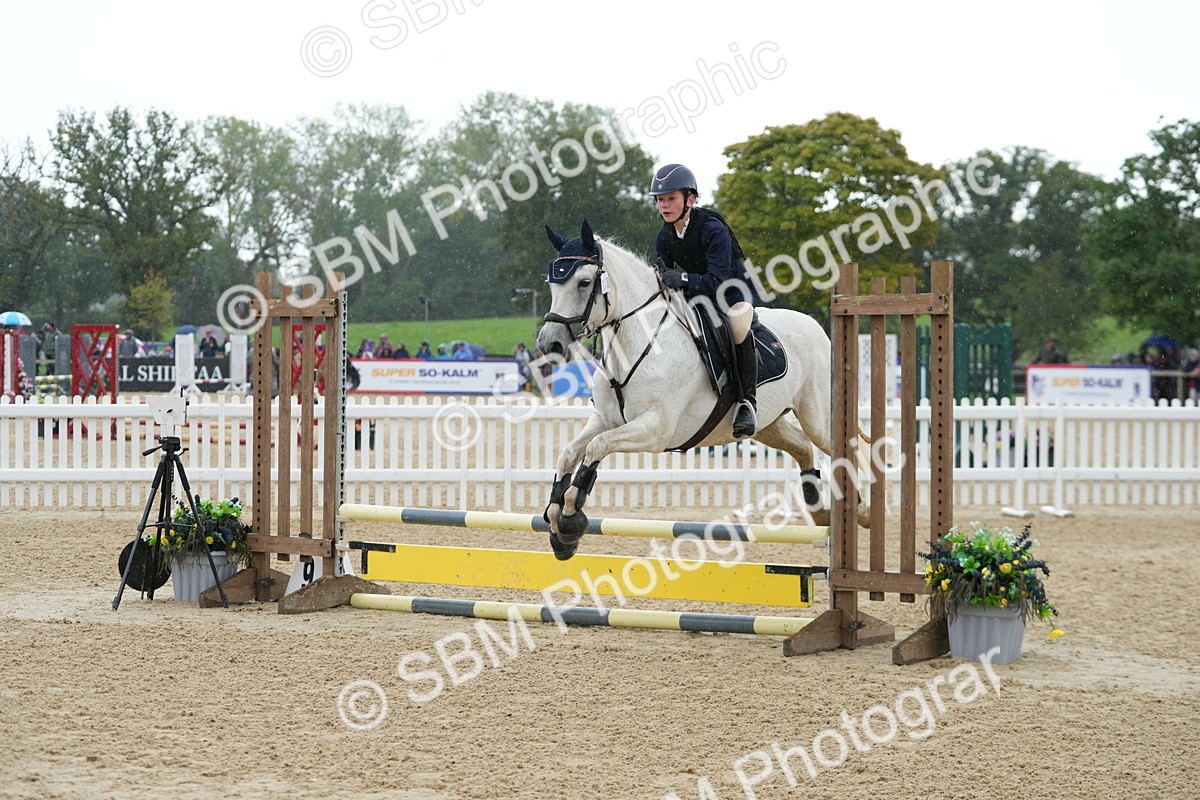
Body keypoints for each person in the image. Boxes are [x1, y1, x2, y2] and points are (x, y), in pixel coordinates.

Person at [650, 163, 764, 437]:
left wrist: (684, 280)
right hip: (698, 296)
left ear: (690, 199)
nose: (664, 206)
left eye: (671, 199)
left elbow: (719, 280)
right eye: (660, 200)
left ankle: (747, 402)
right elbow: (665, 276)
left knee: (736, 326)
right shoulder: (664, 235)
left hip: (733, 293)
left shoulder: (713, 228)